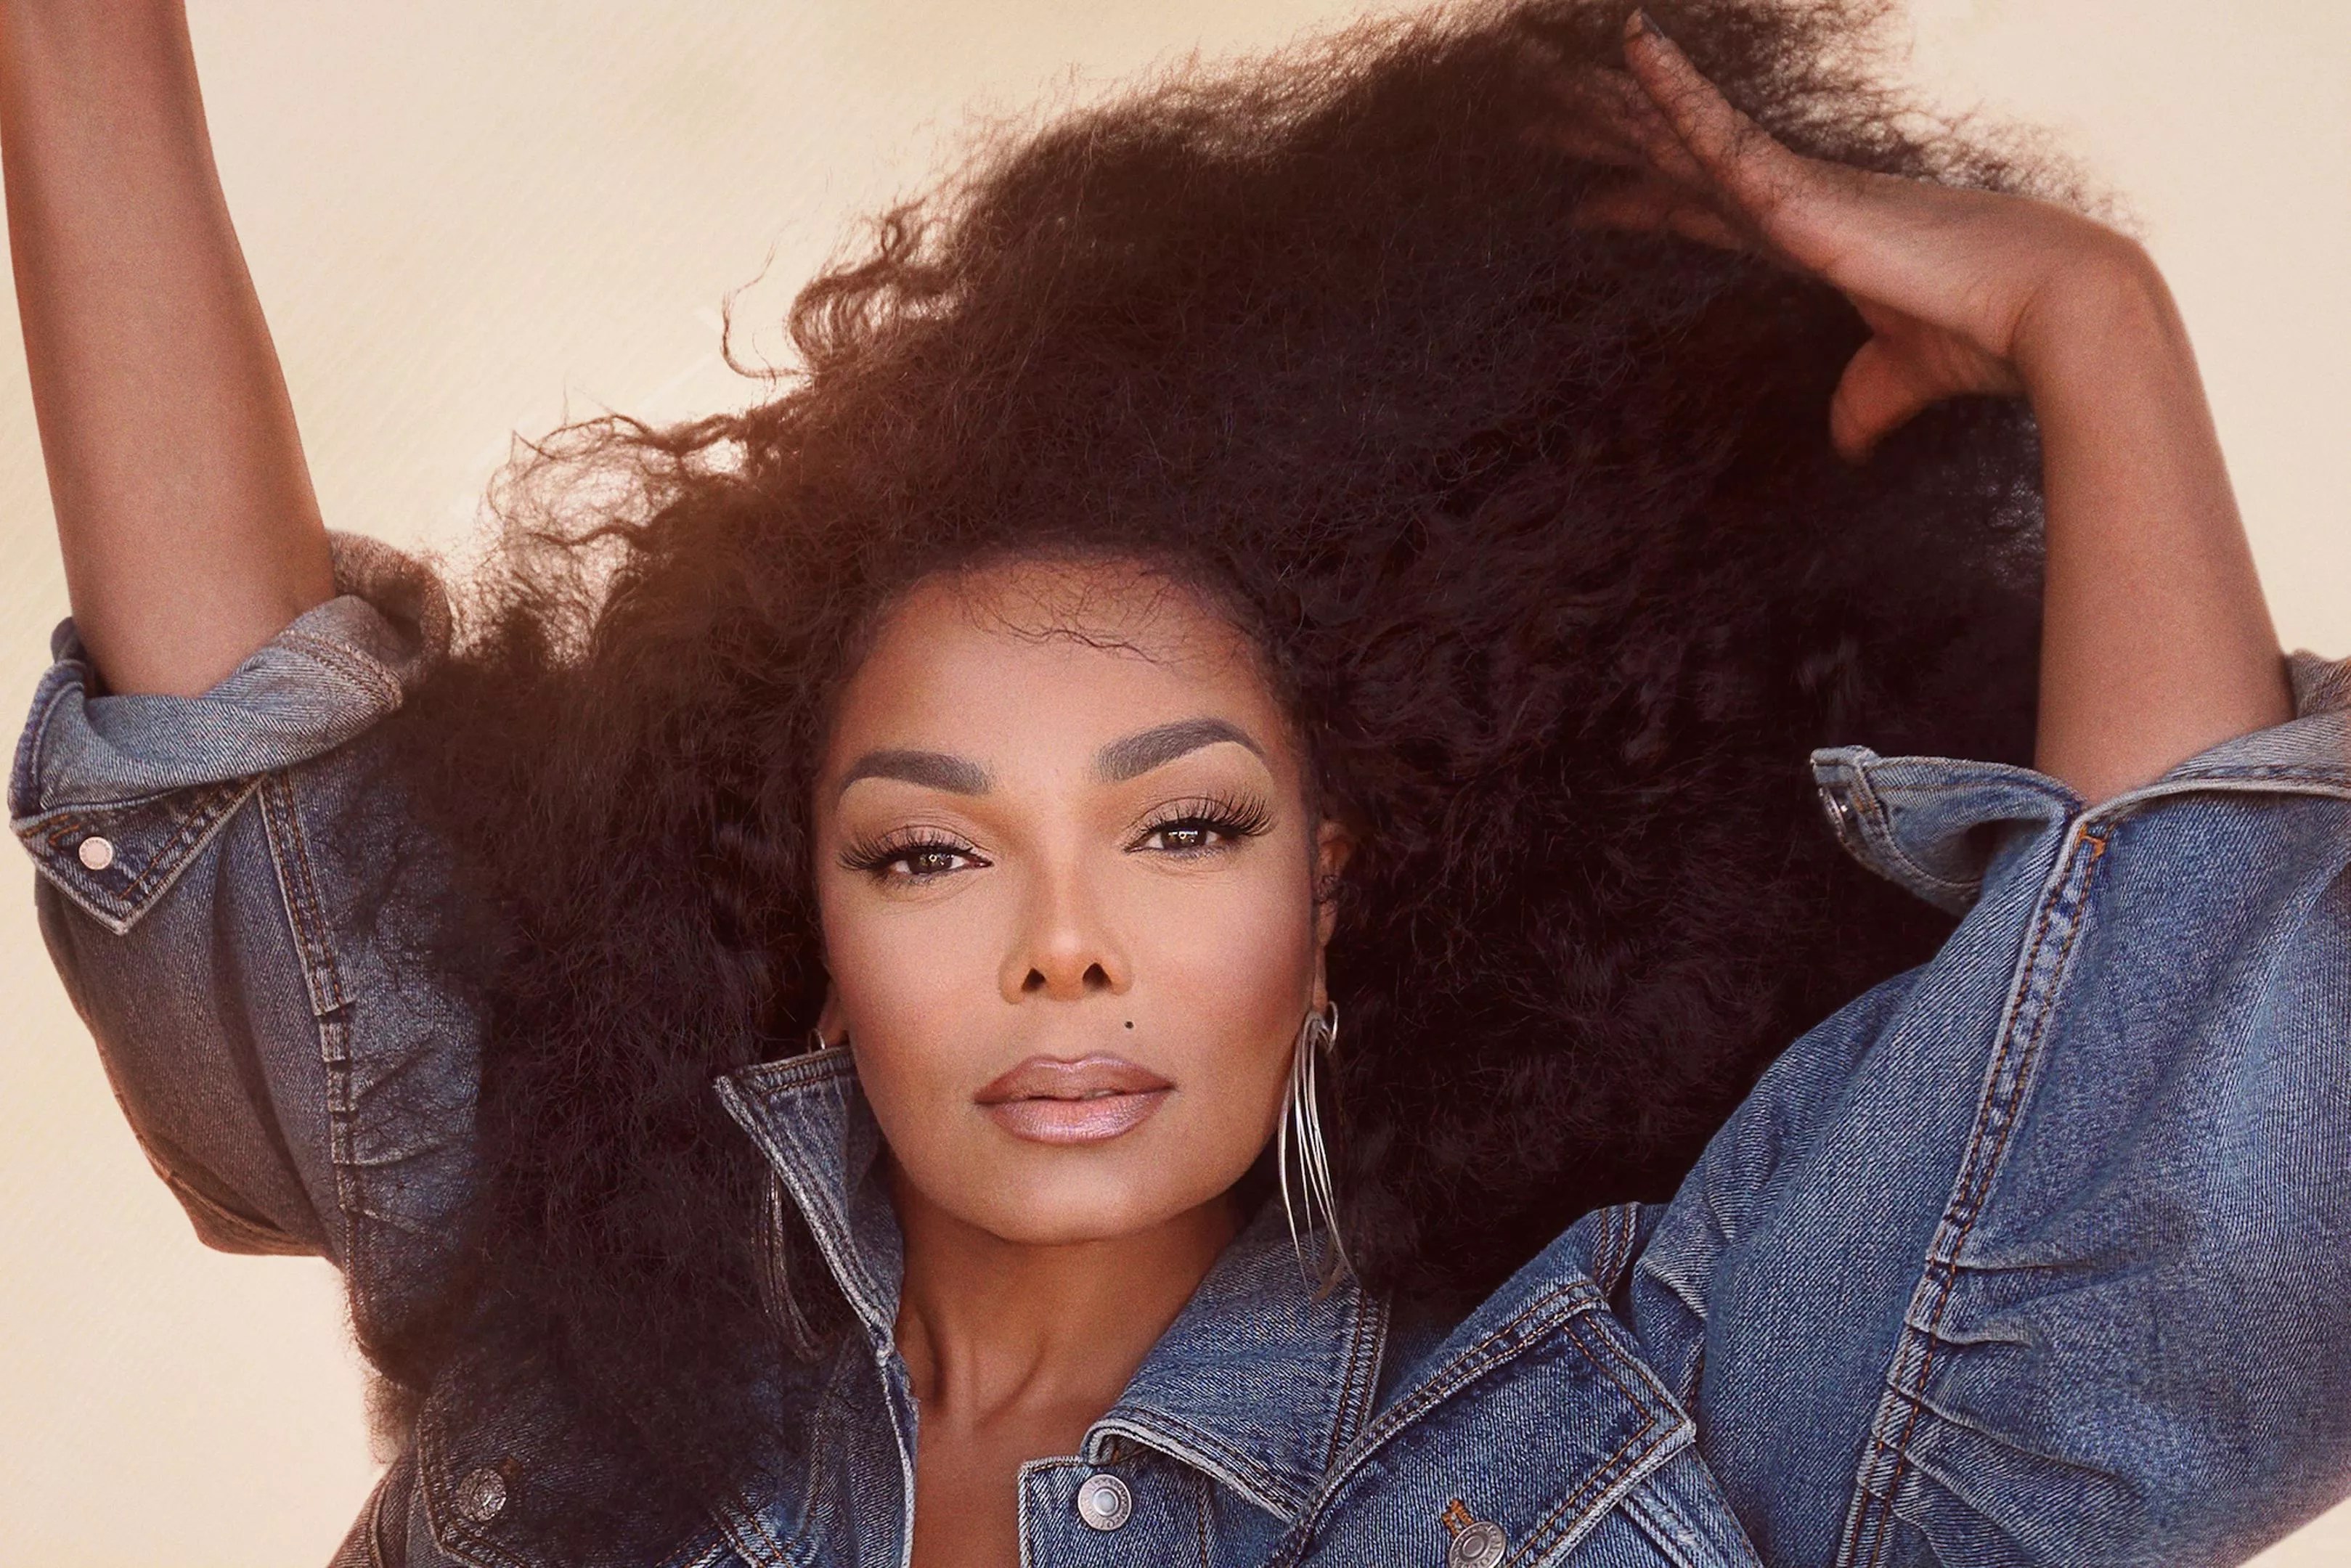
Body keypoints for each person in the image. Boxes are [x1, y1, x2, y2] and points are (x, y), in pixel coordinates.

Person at [6, 0, 2347, 1564]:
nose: (1065, 940)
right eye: (928, 847)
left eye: (1185, 821)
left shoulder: (1586, 1439)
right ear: (802, 915)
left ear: (1343, 890)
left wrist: (2095, 337)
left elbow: (2149, 1130)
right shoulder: (593, 1290)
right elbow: (239, 742)